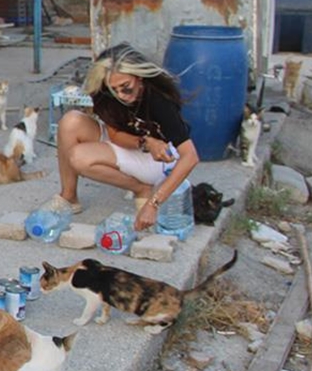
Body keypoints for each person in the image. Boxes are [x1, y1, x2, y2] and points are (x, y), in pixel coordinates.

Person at [46, 43, 199, 231]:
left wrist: (153, 203)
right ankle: (69, 197)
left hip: (157, 159)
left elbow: (190, 156)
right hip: (137, 144)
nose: (121, 95)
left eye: (126, 87)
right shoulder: (106, 92)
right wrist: (145, 141)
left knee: (79, 157)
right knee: (70, 122)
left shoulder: (158, 100)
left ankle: (142, 188)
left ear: (139, 77)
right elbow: (115, 135)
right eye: (114, 89)